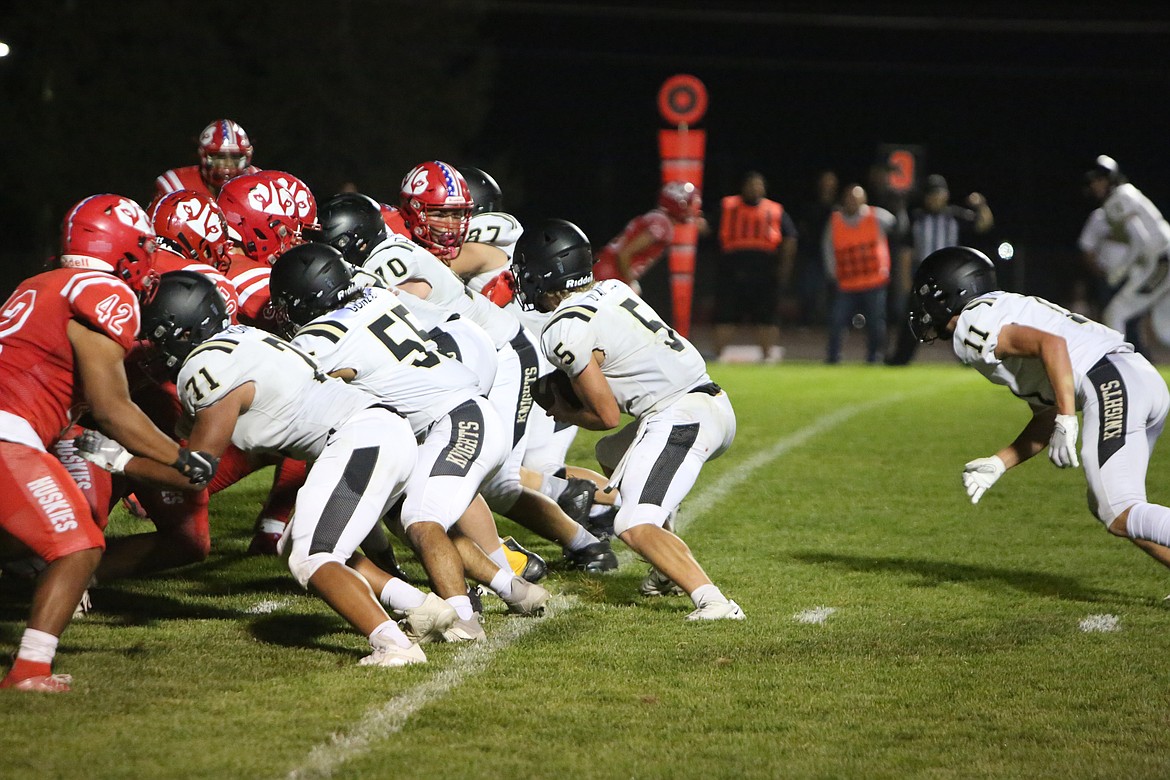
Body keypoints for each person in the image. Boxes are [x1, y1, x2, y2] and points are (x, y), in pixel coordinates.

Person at [89, 270, 430, 667]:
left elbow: (194, 472)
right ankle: (425, 609)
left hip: (359, 439)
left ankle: (394, 645)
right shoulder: (244, 339)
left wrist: (120, 460)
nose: (150, 346)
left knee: (313, 557)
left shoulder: (206, 365)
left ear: (183, 332)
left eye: (157, 335)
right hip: (376, 432)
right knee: (293, 544)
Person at [270, 243, 549, 640]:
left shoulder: (323, 338)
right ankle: (514, 588)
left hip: (455, 420)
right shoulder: (374, 297)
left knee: (422, 520)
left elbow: (296, 388)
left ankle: (463, 620)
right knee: (406, 516)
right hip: (452, 414)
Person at [0, 195, 214, 692]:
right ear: (122, 248)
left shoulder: (36, 283)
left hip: (16, 429)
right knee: (79, 545)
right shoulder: (102, 290)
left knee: (17, 542)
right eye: (142, 246)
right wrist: (180, 457)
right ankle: (30, 670)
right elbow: (113, 407)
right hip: (9, 432)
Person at [513, 218, 743, 621]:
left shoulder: (564, 330)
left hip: (682, 416)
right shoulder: (612, 288)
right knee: (611, 453)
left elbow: (605, 414)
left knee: (632, 524)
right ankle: (665, 560)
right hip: (705, 401)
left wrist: (562, 408)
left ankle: (714, 602)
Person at [910, 246, 1170, 571]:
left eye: (927, 293)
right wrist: (999, 463)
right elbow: (1045, 415)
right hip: (1135, 377)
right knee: (1110, 505)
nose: (922, 305)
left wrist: (1066, 416)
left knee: (1117, 509)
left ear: (949, 290)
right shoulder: (999, 309)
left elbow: (1052, 345)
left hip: (1109, 381)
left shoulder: (972, 328)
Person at [886, 174, 993, 365]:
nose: (935, 198)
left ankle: (970, 358)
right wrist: (905, 282)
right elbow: (906, 252)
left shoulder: (956, 217)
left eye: (938, 193)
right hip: (924, 281)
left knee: (960, 321)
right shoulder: (916, 218)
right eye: (931, 194)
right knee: (913, 321)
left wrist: (981, 205)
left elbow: (984, 224)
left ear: (946, 195)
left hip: (951, 281)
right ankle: (900, 359)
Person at [1083, 155, 1170, 356]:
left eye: (1099, 180)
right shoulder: (1127, 194)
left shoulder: (1117, 200)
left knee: (1116, 313)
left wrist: (1120, 271)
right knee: (1164, 328)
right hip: (1161, 257)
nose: (1095, 186)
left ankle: (1120, 365)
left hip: (1161, 260)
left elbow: (1142, 242)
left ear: (1110, 179)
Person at [713, 171, 797, 363]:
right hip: (732, 272)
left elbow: (790, 237)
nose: (754, 189)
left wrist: (785, 266)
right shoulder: (727, 206)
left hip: (765, 273)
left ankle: (767, 357)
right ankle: (718, 356)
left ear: (764, 188)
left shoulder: (775, 209)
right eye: (750, 185)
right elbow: (710, 228)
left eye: (757, 185)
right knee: (725, 316)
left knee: (767, 317)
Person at [823, 184, 899, 364]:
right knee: (837, 321)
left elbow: (899, 226)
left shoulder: (878, 216)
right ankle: (833, 356)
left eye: (856, 198)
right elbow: (827, 247)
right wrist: (831, 272)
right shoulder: (835, 220)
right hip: (846, 282)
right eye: (849, 198)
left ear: (863, 200)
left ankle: (874, 357)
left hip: (874, 280)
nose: (852, 202)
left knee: (875, 323)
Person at [592, 181, 704, 294]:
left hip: (607, 268)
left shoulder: (658, 219)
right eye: (691, 205)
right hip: (610, 272)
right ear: (680, 204)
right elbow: (625, 253)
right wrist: (629, 282)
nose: (694, 210)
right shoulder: (663, 224)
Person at [151, 119, 259, 206]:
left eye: (235, 157)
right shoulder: (176, 186)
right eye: (220, 157)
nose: (228, 164)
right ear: (202, 155)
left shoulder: (258, 183)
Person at [790, 170, 839, 327]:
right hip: (812, 254)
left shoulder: (838, 208)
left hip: (834, 255)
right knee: (808, 289)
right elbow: (801, 229)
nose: (828, 185)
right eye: (825, 181)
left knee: (833, 291)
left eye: (831, 182)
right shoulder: (810, 205)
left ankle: (828, 323)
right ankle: (806, 320)